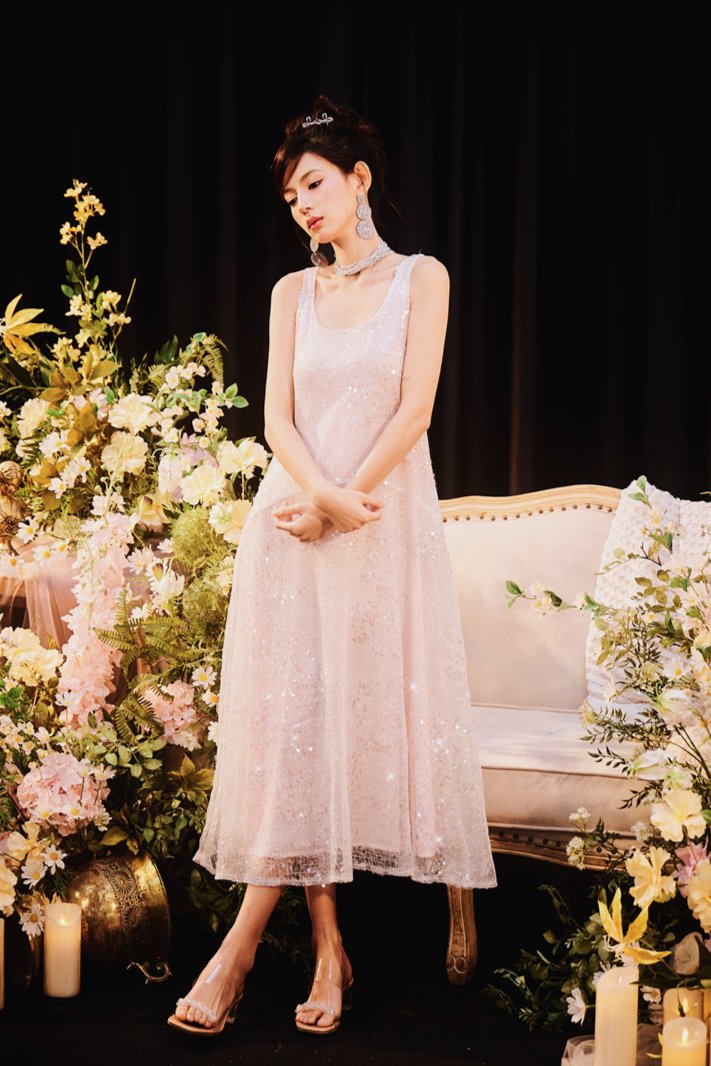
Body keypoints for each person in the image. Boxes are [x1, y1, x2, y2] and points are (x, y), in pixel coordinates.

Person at [167, 92, 497, 1038]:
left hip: (378, 525)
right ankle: (320, 947)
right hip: (294, 527)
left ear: (358, 179)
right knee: (296, 729)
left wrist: (345, 503)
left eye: (313, 185)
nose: (302, 206)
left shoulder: (421, 279)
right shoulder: (290, 293)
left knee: (337, 725)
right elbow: (275, 420)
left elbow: (414, 409)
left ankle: (242, 952)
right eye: (289, 197)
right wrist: (316, 499)